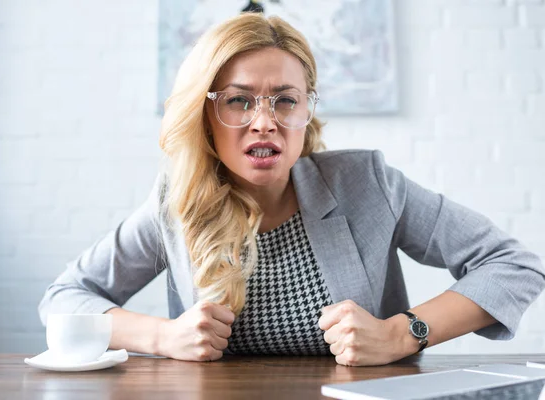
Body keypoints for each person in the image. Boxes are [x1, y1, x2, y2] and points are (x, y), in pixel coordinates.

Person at [39, 13, 545, 366]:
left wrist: (401, 333)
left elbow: (514, 266)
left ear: (307, 110)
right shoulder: (179, 202)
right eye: (239, 101)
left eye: (285, 100)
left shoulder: (367, 184)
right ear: (206, 114)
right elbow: (65, 299)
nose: (264, 122)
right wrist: (161, 336)